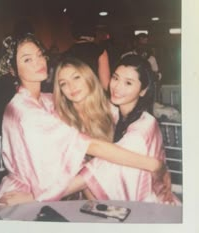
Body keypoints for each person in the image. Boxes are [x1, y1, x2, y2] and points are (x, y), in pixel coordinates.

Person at [0, 33, 165, 207]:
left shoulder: (47, 100)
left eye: (39, 55)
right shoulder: (25, 111)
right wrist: (153, 164)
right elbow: (89, 147)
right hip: (27, 196)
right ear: (13, 70)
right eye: (27, 60)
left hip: (56, 190)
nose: (38, 62)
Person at [59, 55, 180, 204]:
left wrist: (42, 196)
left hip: (144, 207)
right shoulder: (117, 113)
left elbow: (95, 171)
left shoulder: (142, 128)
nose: (117, 87)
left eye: (128, 83)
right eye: (115, 78)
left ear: (143, 90)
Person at [63, 22, 110, 90]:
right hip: (93, 95)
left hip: (74, 94)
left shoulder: (65, 54)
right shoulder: (100, 51)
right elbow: (105, 83)